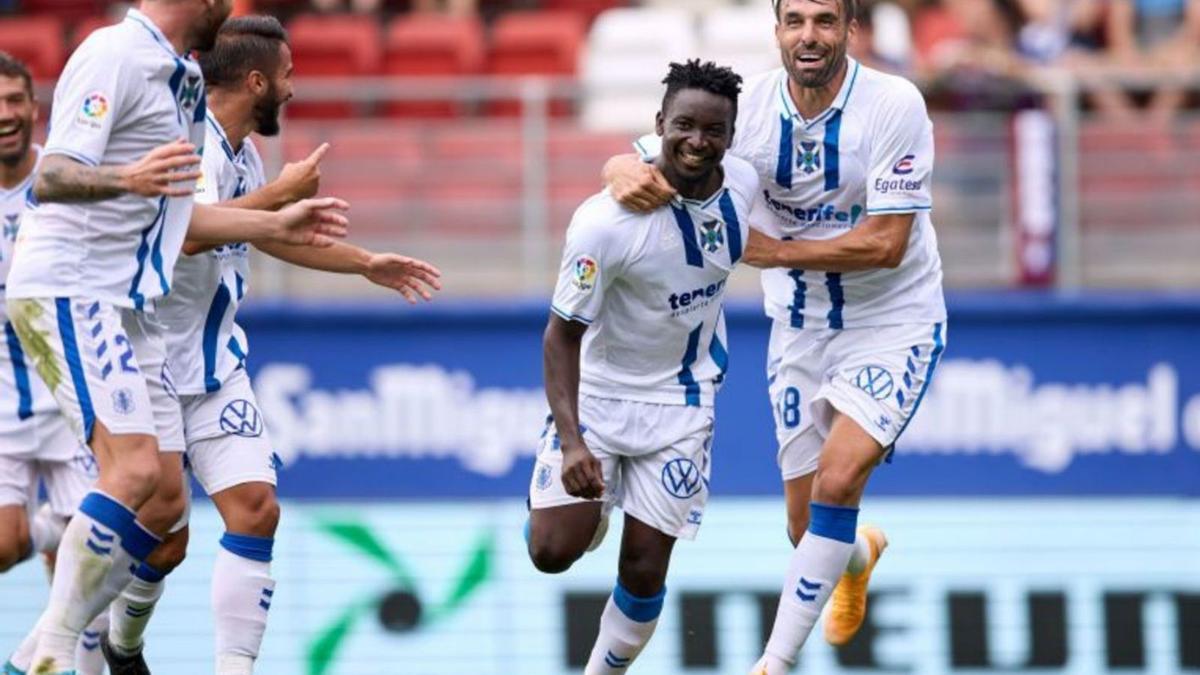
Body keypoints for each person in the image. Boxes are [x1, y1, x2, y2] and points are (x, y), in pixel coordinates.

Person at [2, 1, 351, 671]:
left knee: (163, 507)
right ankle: (46, 655)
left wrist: (293, 228)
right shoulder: (113, 54)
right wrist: (126, 178)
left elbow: (183, 221)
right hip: (76, 286)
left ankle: (59, 650)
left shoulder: (183, 80)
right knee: (129, 477)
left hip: (131, 308)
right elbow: (54, 175)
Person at [601, 0, 948, 670]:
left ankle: (774, 662)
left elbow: (886, 244)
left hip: (892, 320)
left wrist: (761, 249)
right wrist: (621, 169)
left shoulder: (894, 105)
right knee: (807, 527)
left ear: (851, 29)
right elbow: (648, 159)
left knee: (839, 479)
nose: (809, 35)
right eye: (795, 21)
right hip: (798, 326)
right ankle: (858, 554)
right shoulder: (749, 109)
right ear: (778, 31)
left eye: (825, 20)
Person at [96, 16, 441, 675]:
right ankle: (118, 643)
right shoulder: (183, 138)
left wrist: (365, 262)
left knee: (257, 510)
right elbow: (188, 234)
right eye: (286, 76)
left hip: (217, 364)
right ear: (256, 80)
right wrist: (281, 194)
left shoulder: (244, 154)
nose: (291, 88)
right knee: (167, 533)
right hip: (150, 361)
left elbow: (266, 231)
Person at [0, 51, 108, 675]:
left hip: (70, 390)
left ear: (35, 109)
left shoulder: (62, 179)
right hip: (4, 394)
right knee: (10, 544)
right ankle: (52, 531)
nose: (7, 114)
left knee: (96, 565)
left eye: (16, 100)